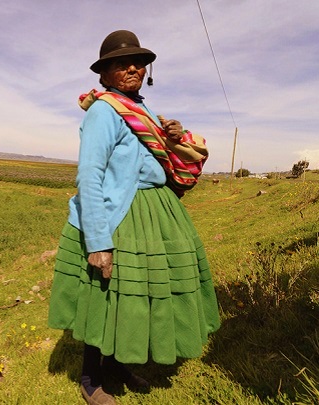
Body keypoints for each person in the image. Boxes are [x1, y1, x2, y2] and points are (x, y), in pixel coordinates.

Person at [48, 30, 220, 405]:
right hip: (122, 216)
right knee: (107, 296)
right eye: (120, 63)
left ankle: (119, 363)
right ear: (104, 73)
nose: (132, 68)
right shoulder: (104, 111)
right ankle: (91, 378)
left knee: (135, 298)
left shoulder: (140, 110)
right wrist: (98, 242)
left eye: (138, 63)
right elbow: (89, 175)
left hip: (156, 214)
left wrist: (171, 133)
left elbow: (155, 153)